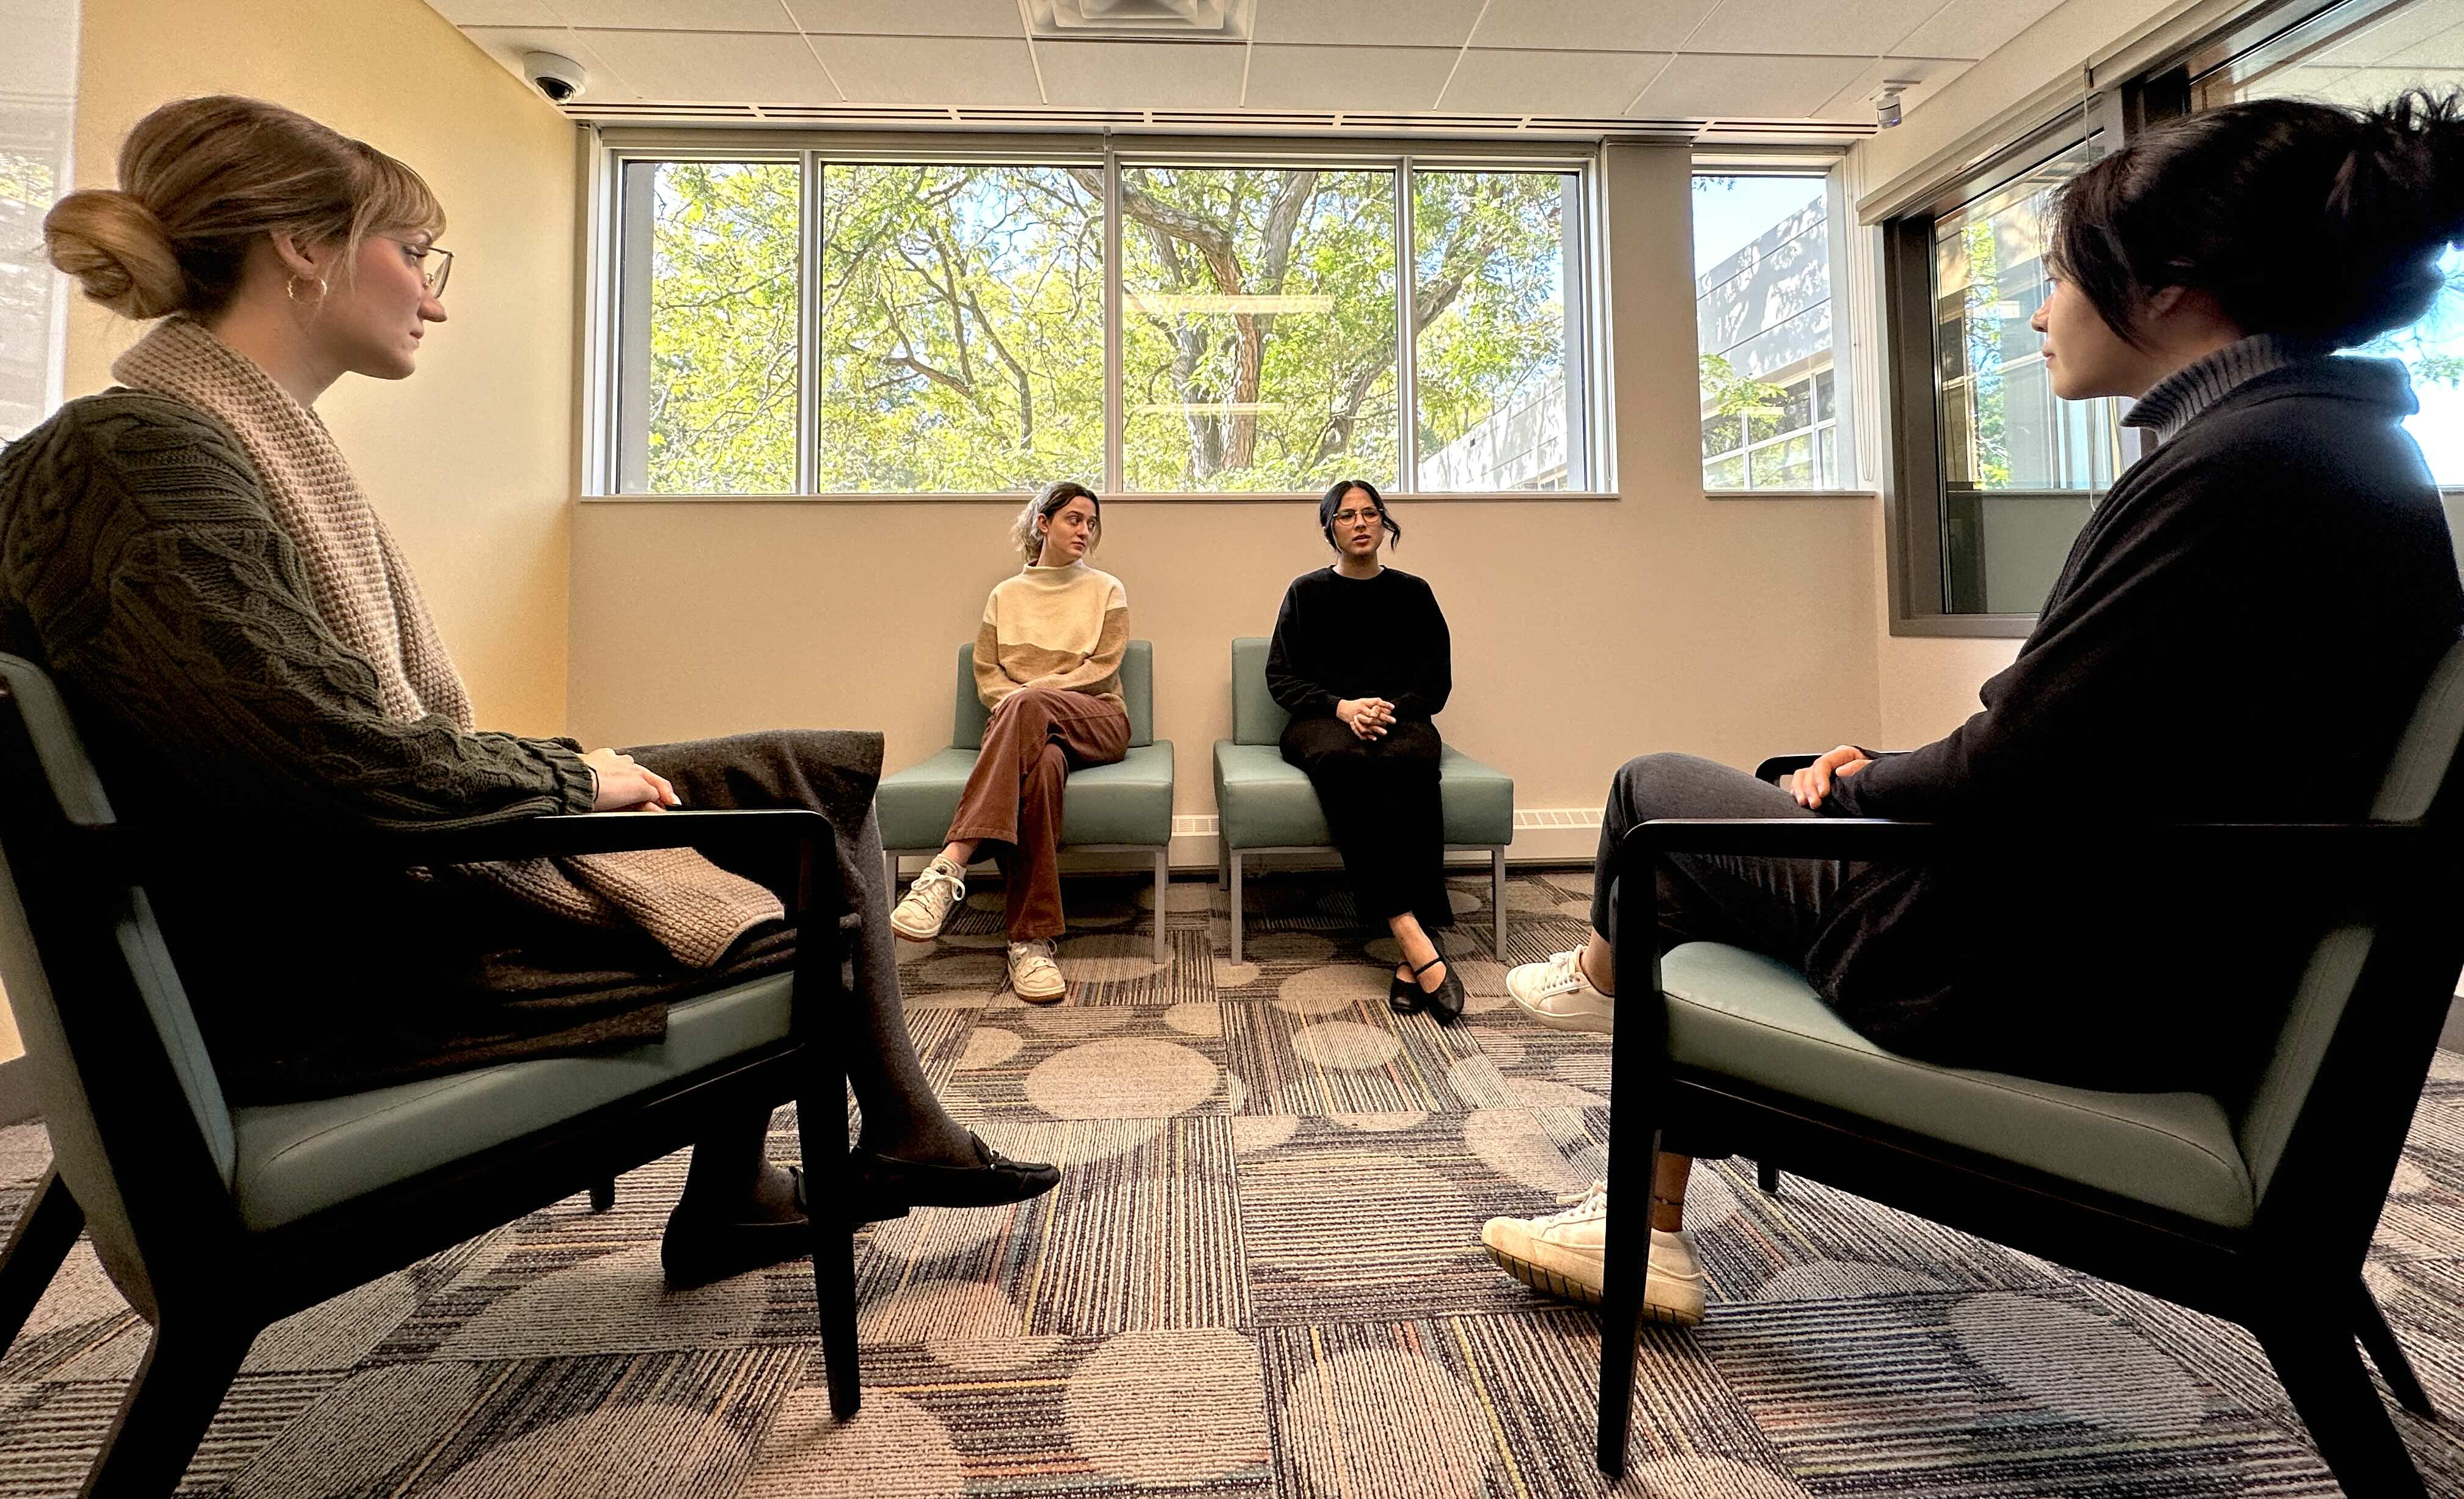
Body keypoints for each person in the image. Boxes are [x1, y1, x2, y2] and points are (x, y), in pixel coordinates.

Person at [4, 94, 1058, 1292]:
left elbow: (305, 733)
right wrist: (566, 775)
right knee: (791, 886)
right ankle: (856, 1144)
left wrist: (561, 771)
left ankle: (773, 1180)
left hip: (331, 906)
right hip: (349, 968)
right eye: (413, 253)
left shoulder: (189, 440)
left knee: (807, 774)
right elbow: (331, 763)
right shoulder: (143, 462)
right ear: (302, 245)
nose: (434, 296)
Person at [1481, 90, 2464, 1326]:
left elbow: (2026, 761)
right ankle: (1632, 1126)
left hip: (2048, 968)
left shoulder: (2241, 464)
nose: (2038, 309)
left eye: (2058, 276)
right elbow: (2094, 737)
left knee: (1656, 796)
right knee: (1756, 801)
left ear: (2169, 287)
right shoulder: (2332, 444)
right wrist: (1880, 768)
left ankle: (1609, 994)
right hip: (2157, 935)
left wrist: (1866, 780)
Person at [887, 481, 1129, 1003]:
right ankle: (1030, 941)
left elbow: (1102, 668)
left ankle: (950, 863)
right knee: (1041, 768)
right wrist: (1022, 703)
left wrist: (1030, 698)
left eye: (1091, 523)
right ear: (1043, 522)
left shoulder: (1107, 589)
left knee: (1027, 706)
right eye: (1074, 519)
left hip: (1099, 719)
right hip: (1030, 732)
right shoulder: (1006, 595)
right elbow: (987, 675)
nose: (1084, 530)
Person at [1267, 478, 1462, 1021]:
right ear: (1330, 527)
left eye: (1370, 513)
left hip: (1401, 717)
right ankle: (1412, 932)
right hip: (1322, 721)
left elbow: (1436, 682)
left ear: (1384, 523)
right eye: (1347, 515)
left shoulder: (1414, 593)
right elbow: (1281, 678)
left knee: (1412, 762)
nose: (1360, 523)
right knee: (1347, 763)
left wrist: (1385, 709)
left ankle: (1407, 959)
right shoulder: (1306, 593)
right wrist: (1343, 707)